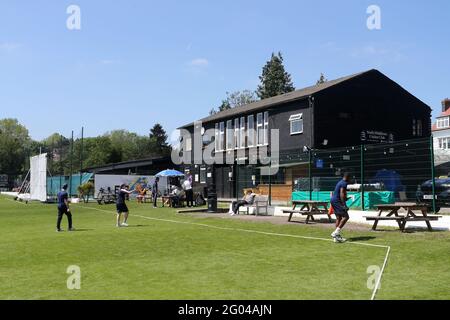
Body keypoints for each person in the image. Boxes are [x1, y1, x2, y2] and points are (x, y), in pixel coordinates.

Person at [330, 173, 351, 243]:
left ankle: (336, 238)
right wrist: (344, 205)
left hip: (333, 200)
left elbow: (340, 194)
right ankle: (335, 233)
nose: (350, 180)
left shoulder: (340, 182)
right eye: (350, 178)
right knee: (346, 217)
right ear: (348, 177)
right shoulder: (344, 183)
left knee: (338, 218)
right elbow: (341, 193)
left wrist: (346, 199)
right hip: (337, 201)